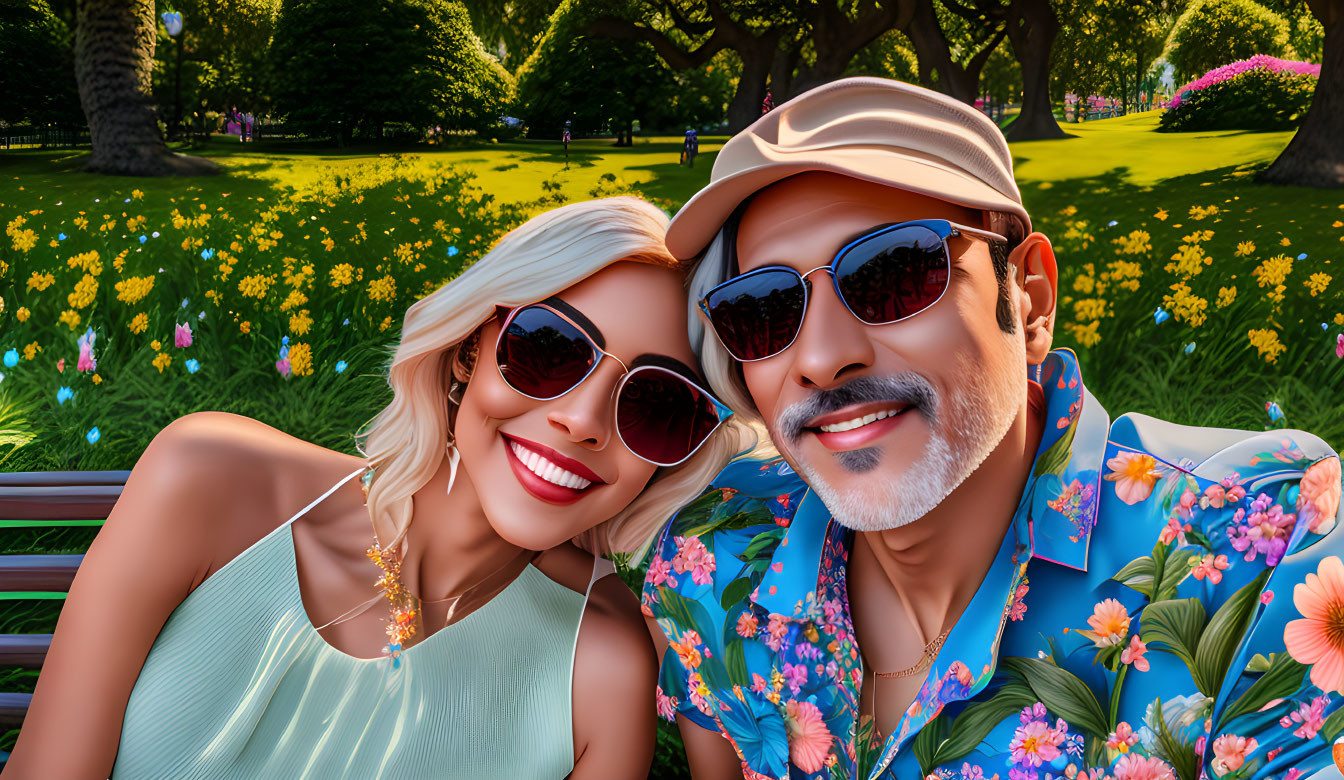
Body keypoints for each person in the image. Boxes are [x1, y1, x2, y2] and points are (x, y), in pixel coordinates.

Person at [643, 77, 1344, 780]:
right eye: (761, 311)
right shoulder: (715, 558)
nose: (822, 358)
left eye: (895, 271)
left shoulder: (1256, 541)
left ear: (1030, 300)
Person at [7, 197, 753, 778]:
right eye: (551, 348)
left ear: (677, 454)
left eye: (658, 406)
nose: (582, 421)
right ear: (469, 349)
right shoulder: (206, 482)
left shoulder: (604, 668)